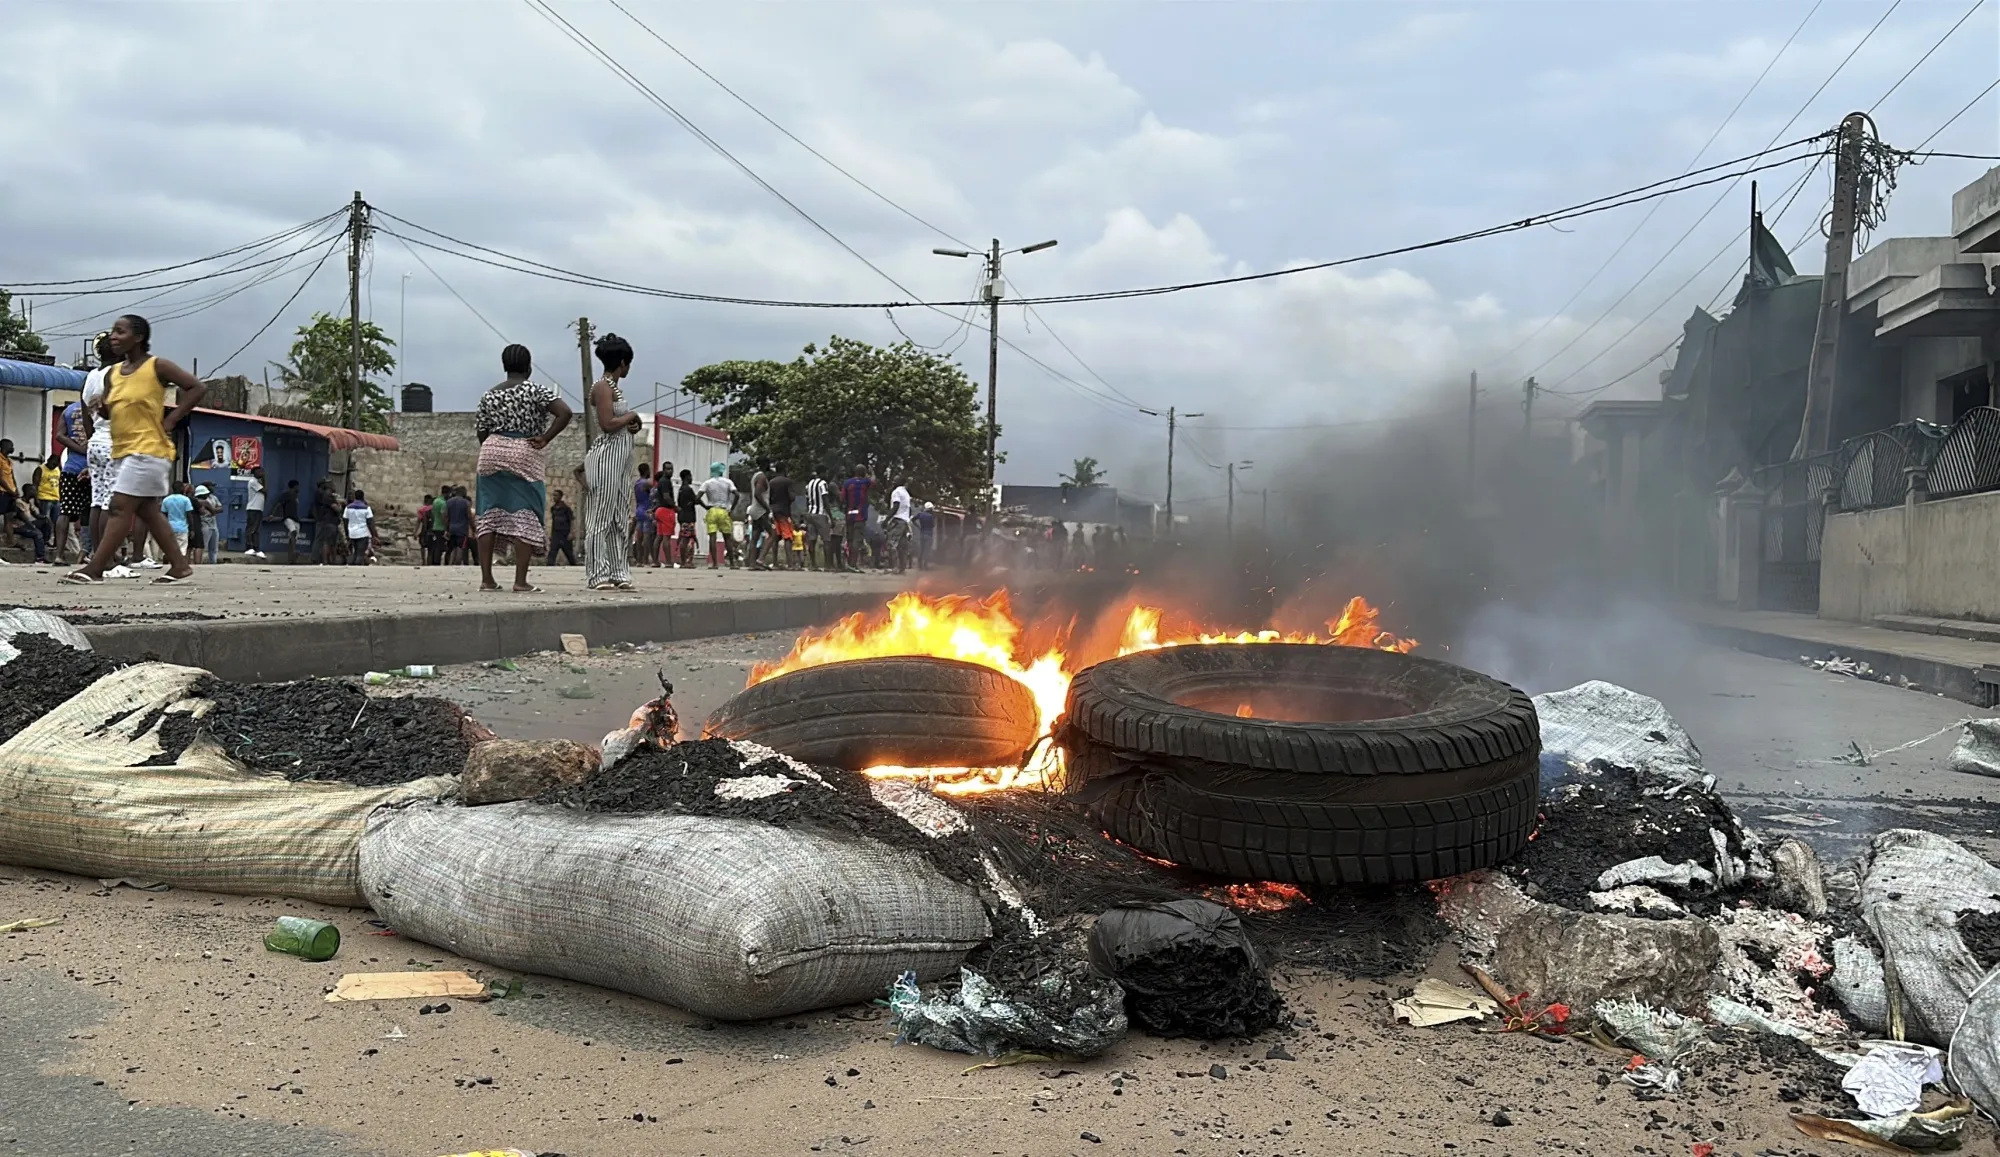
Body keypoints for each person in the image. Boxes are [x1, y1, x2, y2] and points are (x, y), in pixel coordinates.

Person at [63, 315, 205, 585]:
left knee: (118, 507)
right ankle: (180, 567)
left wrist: (172, 420)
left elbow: (197, 387)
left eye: (120, 331)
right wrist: (101, 408)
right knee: (147, 511)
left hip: (149, 450)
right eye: (112, 332)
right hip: (123, 450)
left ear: (138, 337)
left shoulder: (156, 366)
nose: (113, 337)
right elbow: (114, 409)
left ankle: (95, 568)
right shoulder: (114, 374)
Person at [475, 343, 573, 593]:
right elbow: (565, 413)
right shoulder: (536, 391)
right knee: (526, 514)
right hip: (525, 450)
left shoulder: (490, 394)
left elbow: (481, 430)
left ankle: (487, 580)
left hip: (492, 449)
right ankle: (520, 581)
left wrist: (495, 448)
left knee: (487, 516)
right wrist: (545, 437)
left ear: (504, 366)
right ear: (529, 367)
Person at [581, 333, 643, 592]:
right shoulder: (602, 387)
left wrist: (631, 423)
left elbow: (618, 425)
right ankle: (597, 573)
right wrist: (630, 415)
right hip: (606, 458)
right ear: (622, 362)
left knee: (619, 516)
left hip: (620, 459)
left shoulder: (613, 388)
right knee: (601, 516)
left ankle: (618, 571)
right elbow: (607, 424)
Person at [54, 384, 89, 560]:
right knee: (92, 511)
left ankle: (59, 555)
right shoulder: (101, 410)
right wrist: (87, 451)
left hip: (71, 468)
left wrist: (77, 448)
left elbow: (59, 435)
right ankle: (88, 553)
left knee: (65, 511)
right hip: (94, 468)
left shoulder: (69, 410)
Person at [0, 439, 48, 564]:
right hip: (3, 492)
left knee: (9, 517)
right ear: (4, 446)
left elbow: (11, 477)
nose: (13, 447)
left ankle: (10, 541)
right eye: (11, 446)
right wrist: (10, 490)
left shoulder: (9, 461)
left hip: (10, 492)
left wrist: (15, 489)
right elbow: (0, 478)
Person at [698, 461, 737, 568]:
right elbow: (736, 494)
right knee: (727, 538)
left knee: (712, 537)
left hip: (712, 510)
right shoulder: (728, 482)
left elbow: (697, 498)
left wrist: (705, 506)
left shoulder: (707, 483)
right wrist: (732, 508)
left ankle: (714, 563)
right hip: (724, 510)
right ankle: (732, 564)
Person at [840, 466, 872, 572]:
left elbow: (842, 498)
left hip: (849, 515)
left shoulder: (847, 483)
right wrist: (871, 472)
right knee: (857, 541)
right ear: (863, 472)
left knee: (850, 539)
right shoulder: (865, 482)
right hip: (860, 516)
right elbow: (874, 482)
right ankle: (852, 564)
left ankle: (849, 563)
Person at [763, 465, 794, 570]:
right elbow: (791, 497)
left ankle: (775, 562)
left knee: (775, 537)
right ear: (784, 470)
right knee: (788, 537)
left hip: (773, 511)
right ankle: (790, 564)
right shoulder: (787, 482)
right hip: (784, 512)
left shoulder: (771, 482)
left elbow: (768, 497)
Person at [311, 479, 343, 564]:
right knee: (326, 542)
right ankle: (321, 559)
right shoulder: (327, 496)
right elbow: (337, 509)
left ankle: (327, 560)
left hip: (328, 521)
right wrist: (339, 504)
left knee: (328, 542)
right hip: (329, 522)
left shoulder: (325, 495)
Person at [803, 471, 830, 572]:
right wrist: (830, 516)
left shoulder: (808, 485)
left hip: (811, 514)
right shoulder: (823, 483)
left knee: (812, 539)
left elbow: (807, 501)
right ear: (821, 473)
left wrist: (807, 514)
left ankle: (813, 565)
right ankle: (828, 565)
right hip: (820, 514)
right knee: (826, 540)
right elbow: (825, 500)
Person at [886, 477, 914, 574]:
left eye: (895, 480)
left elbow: (896, 505)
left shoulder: (896, 492)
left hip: (897, 520)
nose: (893, 481)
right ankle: (902, 569)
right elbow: (910, 510)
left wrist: (886, 520)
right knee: (902, 546)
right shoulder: (906, 493)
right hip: (905, 521)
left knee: (892, 544)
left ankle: (894, 567)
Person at [160, 483, 193, 560]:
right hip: (182, 528)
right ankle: (182, 567)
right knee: (182, 550)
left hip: (169, 527)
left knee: (168, 549)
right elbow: (189, 515)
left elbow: (163, 515)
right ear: (182, 489)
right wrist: (192, 529)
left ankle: (165, 565)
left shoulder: (166, 500)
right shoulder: (185, 500)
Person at [630, 463, 653, 567]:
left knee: (638, 537)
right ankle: (645, 559)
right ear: (647, 470)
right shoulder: (647, 483)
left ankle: (638, 560)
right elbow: (653, 495)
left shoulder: (637, 483)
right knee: (646, 537)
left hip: (639, 510)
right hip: (647, 510)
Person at [674, 468, 698, 568]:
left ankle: (684, 561)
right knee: (687, 538)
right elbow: (696, 500)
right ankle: (686, 562)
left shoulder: (681, 489)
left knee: (685, 537)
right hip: (688, 517)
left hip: (683, 516)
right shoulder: (688, 489)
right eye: (690, 476)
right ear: (687, 477)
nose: (692, 478)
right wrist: (705, 506)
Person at [344, 489, 376, 564]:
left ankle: (352, 564)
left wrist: (347, 534)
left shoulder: (348, 508)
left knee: (355, 551)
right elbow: (370, 522)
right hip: (362, 533)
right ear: (363, 497)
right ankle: (357, 566)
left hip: (352, 533)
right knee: (360, 552)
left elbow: (345, 521)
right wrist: (373, 535)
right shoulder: (366, 508)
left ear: (355, 497)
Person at [275, 479, 302, 564]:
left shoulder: (296, 496)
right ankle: (293, 553)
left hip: (296, 519)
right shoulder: (286, 495)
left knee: (293, 538)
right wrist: (272, 514)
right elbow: (278, 504)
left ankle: (291, 559)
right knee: (293, 532)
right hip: (288, 518)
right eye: (297, 486)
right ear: (294, 486)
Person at [242, 465, 267, 558]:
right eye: (260, 471)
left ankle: (256, 548)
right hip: (253, 508)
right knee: (251, 529)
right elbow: (265, 490)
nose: (262, 473)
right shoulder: (253, 481)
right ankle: (249, 547)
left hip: (259, 508)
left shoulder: (258, 482)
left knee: (256, 530)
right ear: (255, 473)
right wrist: (265, 479)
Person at [546, 489, 576, 565]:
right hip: (556, 534)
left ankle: (574, 566)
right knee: (552, 553)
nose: (554, 497)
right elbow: (554, 522)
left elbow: (571, 520)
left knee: (569, 554)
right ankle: (549, 568)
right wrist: (551, 534)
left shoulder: (566, 509)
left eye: (556, 495)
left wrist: (571, 533)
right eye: (553, 495)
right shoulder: (553, 508)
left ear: (560, 496)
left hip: (565, 534)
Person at [194, 483, 222, 564]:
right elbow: (212, 511)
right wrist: (212, 510)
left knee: (214, 548)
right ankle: (201, 562)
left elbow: (220, 508)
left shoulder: (213, 498)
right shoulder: (197, 501)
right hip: (204, 525)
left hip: (213, 525)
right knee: (203, 546)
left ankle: (213, 562)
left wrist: (213, 510)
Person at [445, 485, 472, 565]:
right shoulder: (466, 503)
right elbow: (469, 516)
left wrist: (447, 528)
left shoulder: (449, 502)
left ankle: (446, 563)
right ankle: (457, 562)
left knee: (450, 548)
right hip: (462, 529)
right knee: (460, 547)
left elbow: (446, 516)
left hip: (451, 528)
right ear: (463, 492)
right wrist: (473, 527)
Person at [651, 495, 675, 566]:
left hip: (659, 510)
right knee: (666, 537)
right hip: (666, 511)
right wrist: (674, 506)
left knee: (659, 536)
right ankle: (668, 562)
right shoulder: (666, 484)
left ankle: (655, 561)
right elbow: (666, 496)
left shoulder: (658, 487)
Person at [916, 501, 937, 571]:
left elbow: (913, 520)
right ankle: (925, 565)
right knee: (927, 551)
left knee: (921, 550)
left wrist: (918, 526)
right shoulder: (931, 516)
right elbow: (933, 525)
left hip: (922, 534)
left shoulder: (920, 514)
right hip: (929, 535)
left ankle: (919, 565)